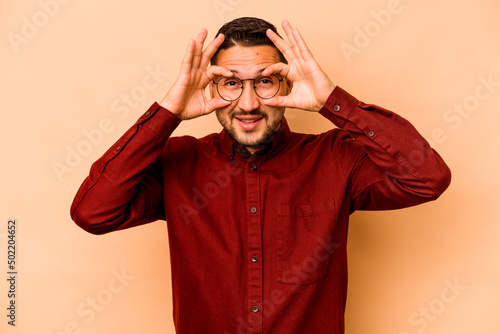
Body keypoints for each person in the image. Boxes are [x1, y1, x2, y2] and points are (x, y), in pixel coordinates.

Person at [71, 17, 451, 334]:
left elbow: (427, 177)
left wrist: (332, 100)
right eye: (232, 82)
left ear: (286, 83)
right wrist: (168, 111)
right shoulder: (178, 160)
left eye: (265, 81)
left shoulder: (335, 157)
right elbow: (93, 213)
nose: (248, 104)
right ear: (211, 85)